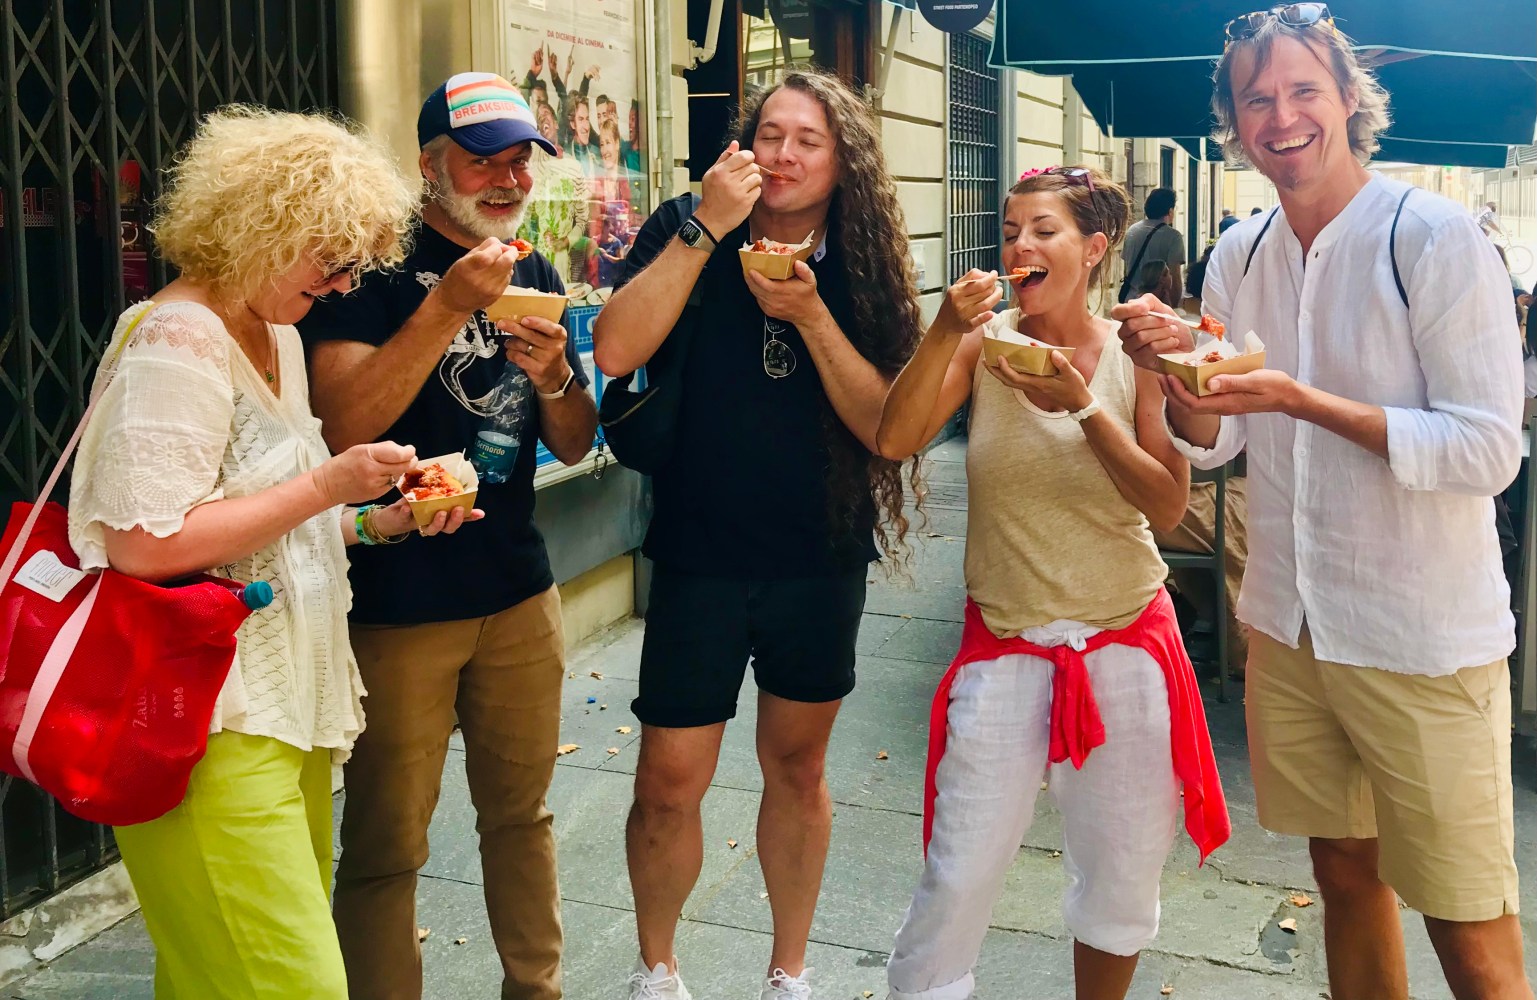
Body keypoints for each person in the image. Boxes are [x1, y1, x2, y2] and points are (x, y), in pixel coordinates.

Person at [1115, 9, 1530, 1000]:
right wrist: (1180, 388)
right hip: (1291, 627)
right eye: (1256, 98)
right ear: (1233, 122)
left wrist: (1305, 399)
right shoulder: (1237, 254)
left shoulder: (1430, 236)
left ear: (1348, 97)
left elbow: (1487, 450)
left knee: (1469, 929)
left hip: (1421, 637)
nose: (1282, 115)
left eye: (1303, 89)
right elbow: (1224, 440)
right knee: (1342, 875)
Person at [66, 106, 476, 998]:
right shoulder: (179, 339)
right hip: (204, 722)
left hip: (280, 710)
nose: (338, 287)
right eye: (328, 262)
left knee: (218, 978)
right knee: (292, 985)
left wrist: (377, 522)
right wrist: (330, 486)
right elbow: (144, 545)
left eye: (352, 266)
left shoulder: (279, 334)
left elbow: (263, 521)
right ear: (263, 232)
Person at [593, 68, 923, 1000]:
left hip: (817, 554)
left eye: (806, 140)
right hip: (698, 548)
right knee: (666, 776)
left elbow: (885, 427)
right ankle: (656, 969)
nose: (781, 155)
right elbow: (615, 350)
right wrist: (704, 229)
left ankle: (789, 970)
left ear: (841, 159)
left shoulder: (860, 257)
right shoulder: (685, 224)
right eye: (767, 134)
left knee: (797, 765)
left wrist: (809, 312)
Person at [874, 165, 1227, 1000]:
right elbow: (894, 439)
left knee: (1120, 875)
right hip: (1003, 641)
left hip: (1123, 644)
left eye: (1043, 230)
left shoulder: (1132, 355)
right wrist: (942, 330)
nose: (1019, 246)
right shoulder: (982, 343)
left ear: (1094, 248)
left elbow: (1167, 503)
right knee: (956, 873)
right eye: (1010, 231)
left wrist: (1079, 405)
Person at [299, 73, 599, 1000]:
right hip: (398, 607)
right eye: (482, 159)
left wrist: (555, 378)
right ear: (429, 165)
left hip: (517, 592)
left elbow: (577, 440)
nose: (506, 179)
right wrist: (443, 307)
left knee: (523, 818)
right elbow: (343, 424)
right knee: (388, 843)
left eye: (521, 160)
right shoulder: (366, 270)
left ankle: (535, 991)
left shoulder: (535, 271)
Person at [1119, 187, 1184, 304]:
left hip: (1130, 300)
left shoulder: (1132, 230)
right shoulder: (1173, 237)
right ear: (1170, 211)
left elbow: (1126, 268)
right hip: (1156, 303)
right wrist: (1174, 305)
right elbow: (1175, 276)